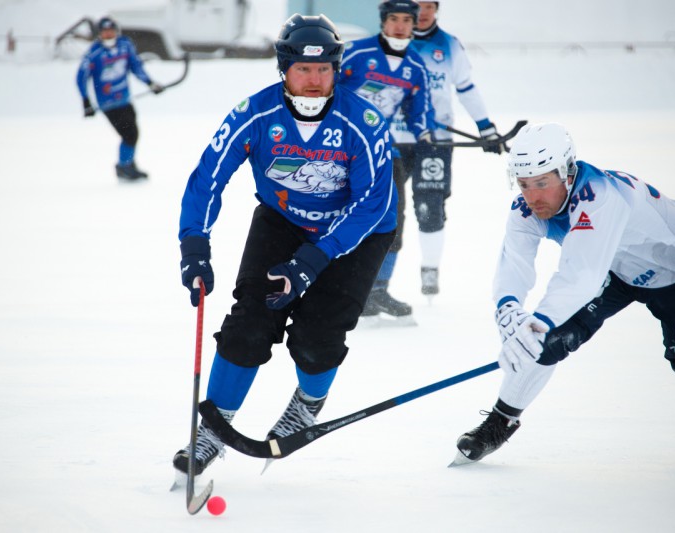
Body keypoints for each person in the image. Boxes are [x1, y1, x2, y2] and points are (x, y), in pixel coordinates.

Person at [172, 14, 398, 477]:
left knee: (317, 335)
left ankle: (308, 402)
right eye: (303, 70)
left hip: (357, 232)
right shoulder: (255, 115)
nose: (314, 81)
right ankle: (212, 433)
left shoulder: (364, 122)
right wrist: (195, 242)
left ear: (336, 70)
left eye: (324, 70)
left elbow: (371, 204)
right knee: (251, 319)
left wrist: (312, 261)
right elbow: (208, 178)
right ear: (284, 69)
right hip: (284, 219)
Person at [453, 123, 675, 465]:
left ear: (567, 173)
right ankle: (500, 422)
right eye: (524, 184)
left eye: (542, 183)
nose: (533, 196)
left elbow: (580, 273)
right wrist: (508, 309)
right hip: (618, 270)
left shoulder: (600, 197)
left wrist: (535, 323)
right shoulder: (526, 209)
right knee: (549, 341)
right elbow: (514, 261)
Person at [394, 0, 505, 297]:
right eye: (417, 5)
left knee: (429, 207)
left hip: (436, 142)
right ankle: (375, 281)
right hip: (394, 140)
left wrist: (486, 127)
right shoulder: (389, 44)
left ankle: (430, 269)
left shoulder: (450, 46)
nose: (423, 11)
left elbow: (465, 87)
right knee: (385, 208)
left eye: (429, 5)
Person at [338, 0, 435, 323]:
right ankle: (348, 287)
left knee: (394, 218)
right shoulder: (354, 53)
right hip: (340, 149)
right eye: (393, 19)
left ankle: (378, 289)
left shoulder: (416, 66)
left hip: (383, 149)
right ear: (383, 21)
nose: (399, 26)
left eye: (406, 20)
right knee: (346, 216)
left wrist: (424, 132)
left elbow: (420, 109)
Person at [76, 17, 164, 180]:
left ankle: (128, 163)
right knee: (129, 134)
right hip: (108, 103)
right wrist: (85, 101)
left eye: (111, 31)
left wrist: (150, 83)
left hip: (125, 99)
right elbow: (81, 77)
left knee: (133, 132)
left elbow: (136, 66)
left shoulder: (125, 45)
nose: (109, 34)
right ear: (99, 34)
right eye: (105, 31)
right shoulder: (94, 53)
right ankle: (123, 166)